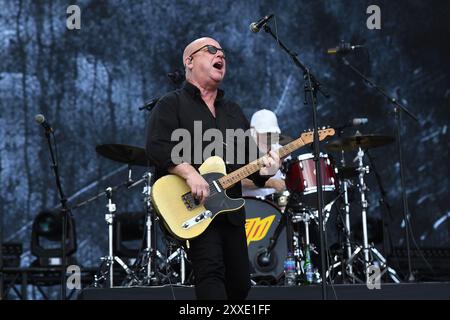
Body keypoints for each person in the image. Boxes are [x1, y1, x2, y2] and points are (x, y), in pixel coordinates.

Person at [145, 37, 281, 300]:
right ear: (189, 61)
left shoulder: (233, 111)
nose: (221, 55)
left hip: (231, 212)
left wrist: (269, 167)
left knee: (240, 283)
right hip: (195, 207)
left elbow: (253, 168)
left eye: (223, 53)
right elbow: (156, 146)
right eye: (211, 50)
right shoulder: (171, 104)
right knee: (211, 273)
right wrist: (189, 172)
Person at [242, 109, 287, 200]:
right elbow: (237, 181)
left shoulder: (282, 150)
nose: (269, 136)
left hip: (276, 206)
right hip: (249, 206)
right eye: (266, 133)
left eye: (272, 133)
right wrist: (271, 183)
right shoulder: (241, 151)